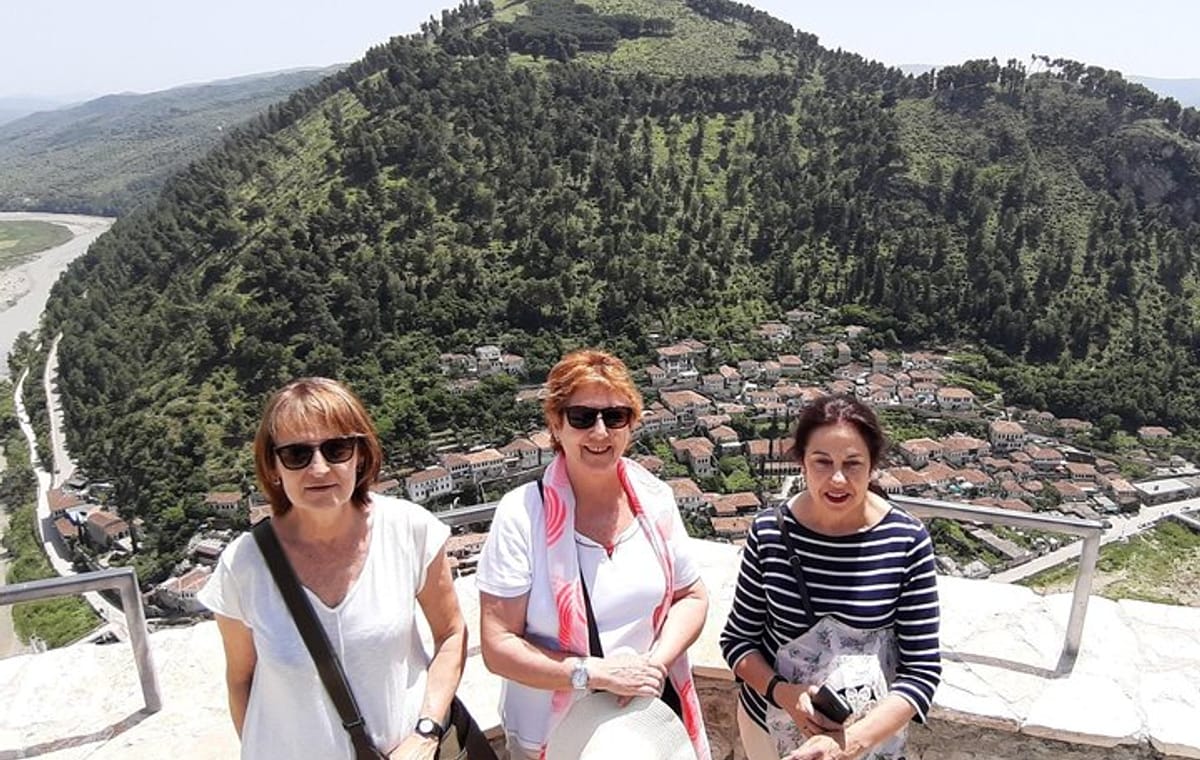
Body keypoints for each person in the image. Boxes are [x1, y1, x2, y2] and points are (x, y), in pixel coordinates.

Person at [198, 377, 466, 760]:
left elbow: (452, 634)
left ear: (360, 455)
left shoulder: (409, 530)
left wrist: (426, 732)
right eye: (297, 455)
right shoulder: (243, 565)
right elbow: (241, 681)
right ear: (273, 467)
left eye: (336, 448)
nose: (319, 468)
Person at [476, 349, 712, 760]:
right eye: (582, 417)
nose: (600, 432)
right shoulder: (522, 515)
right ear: (556, 423)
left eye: (615, 416)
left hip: (644, 727)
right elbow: (497, 646)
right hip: (553, 738)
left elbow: (691, 596)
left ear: (632, 423)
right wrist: (591, 674)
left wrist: (654, 665)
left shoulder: (654, 500)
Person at [720, 394, 941, 760]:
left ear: (872, 467)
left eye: (852, 464)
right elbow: (738, 642)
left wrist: (849, 743)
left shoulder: (905, 541)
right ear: (801, 464)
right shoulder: (769, 533)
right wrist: (783, 694)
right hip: (770, 728)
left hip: (866, 739)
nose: (837, 479)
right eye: (822, 462)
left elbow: (922, 671)